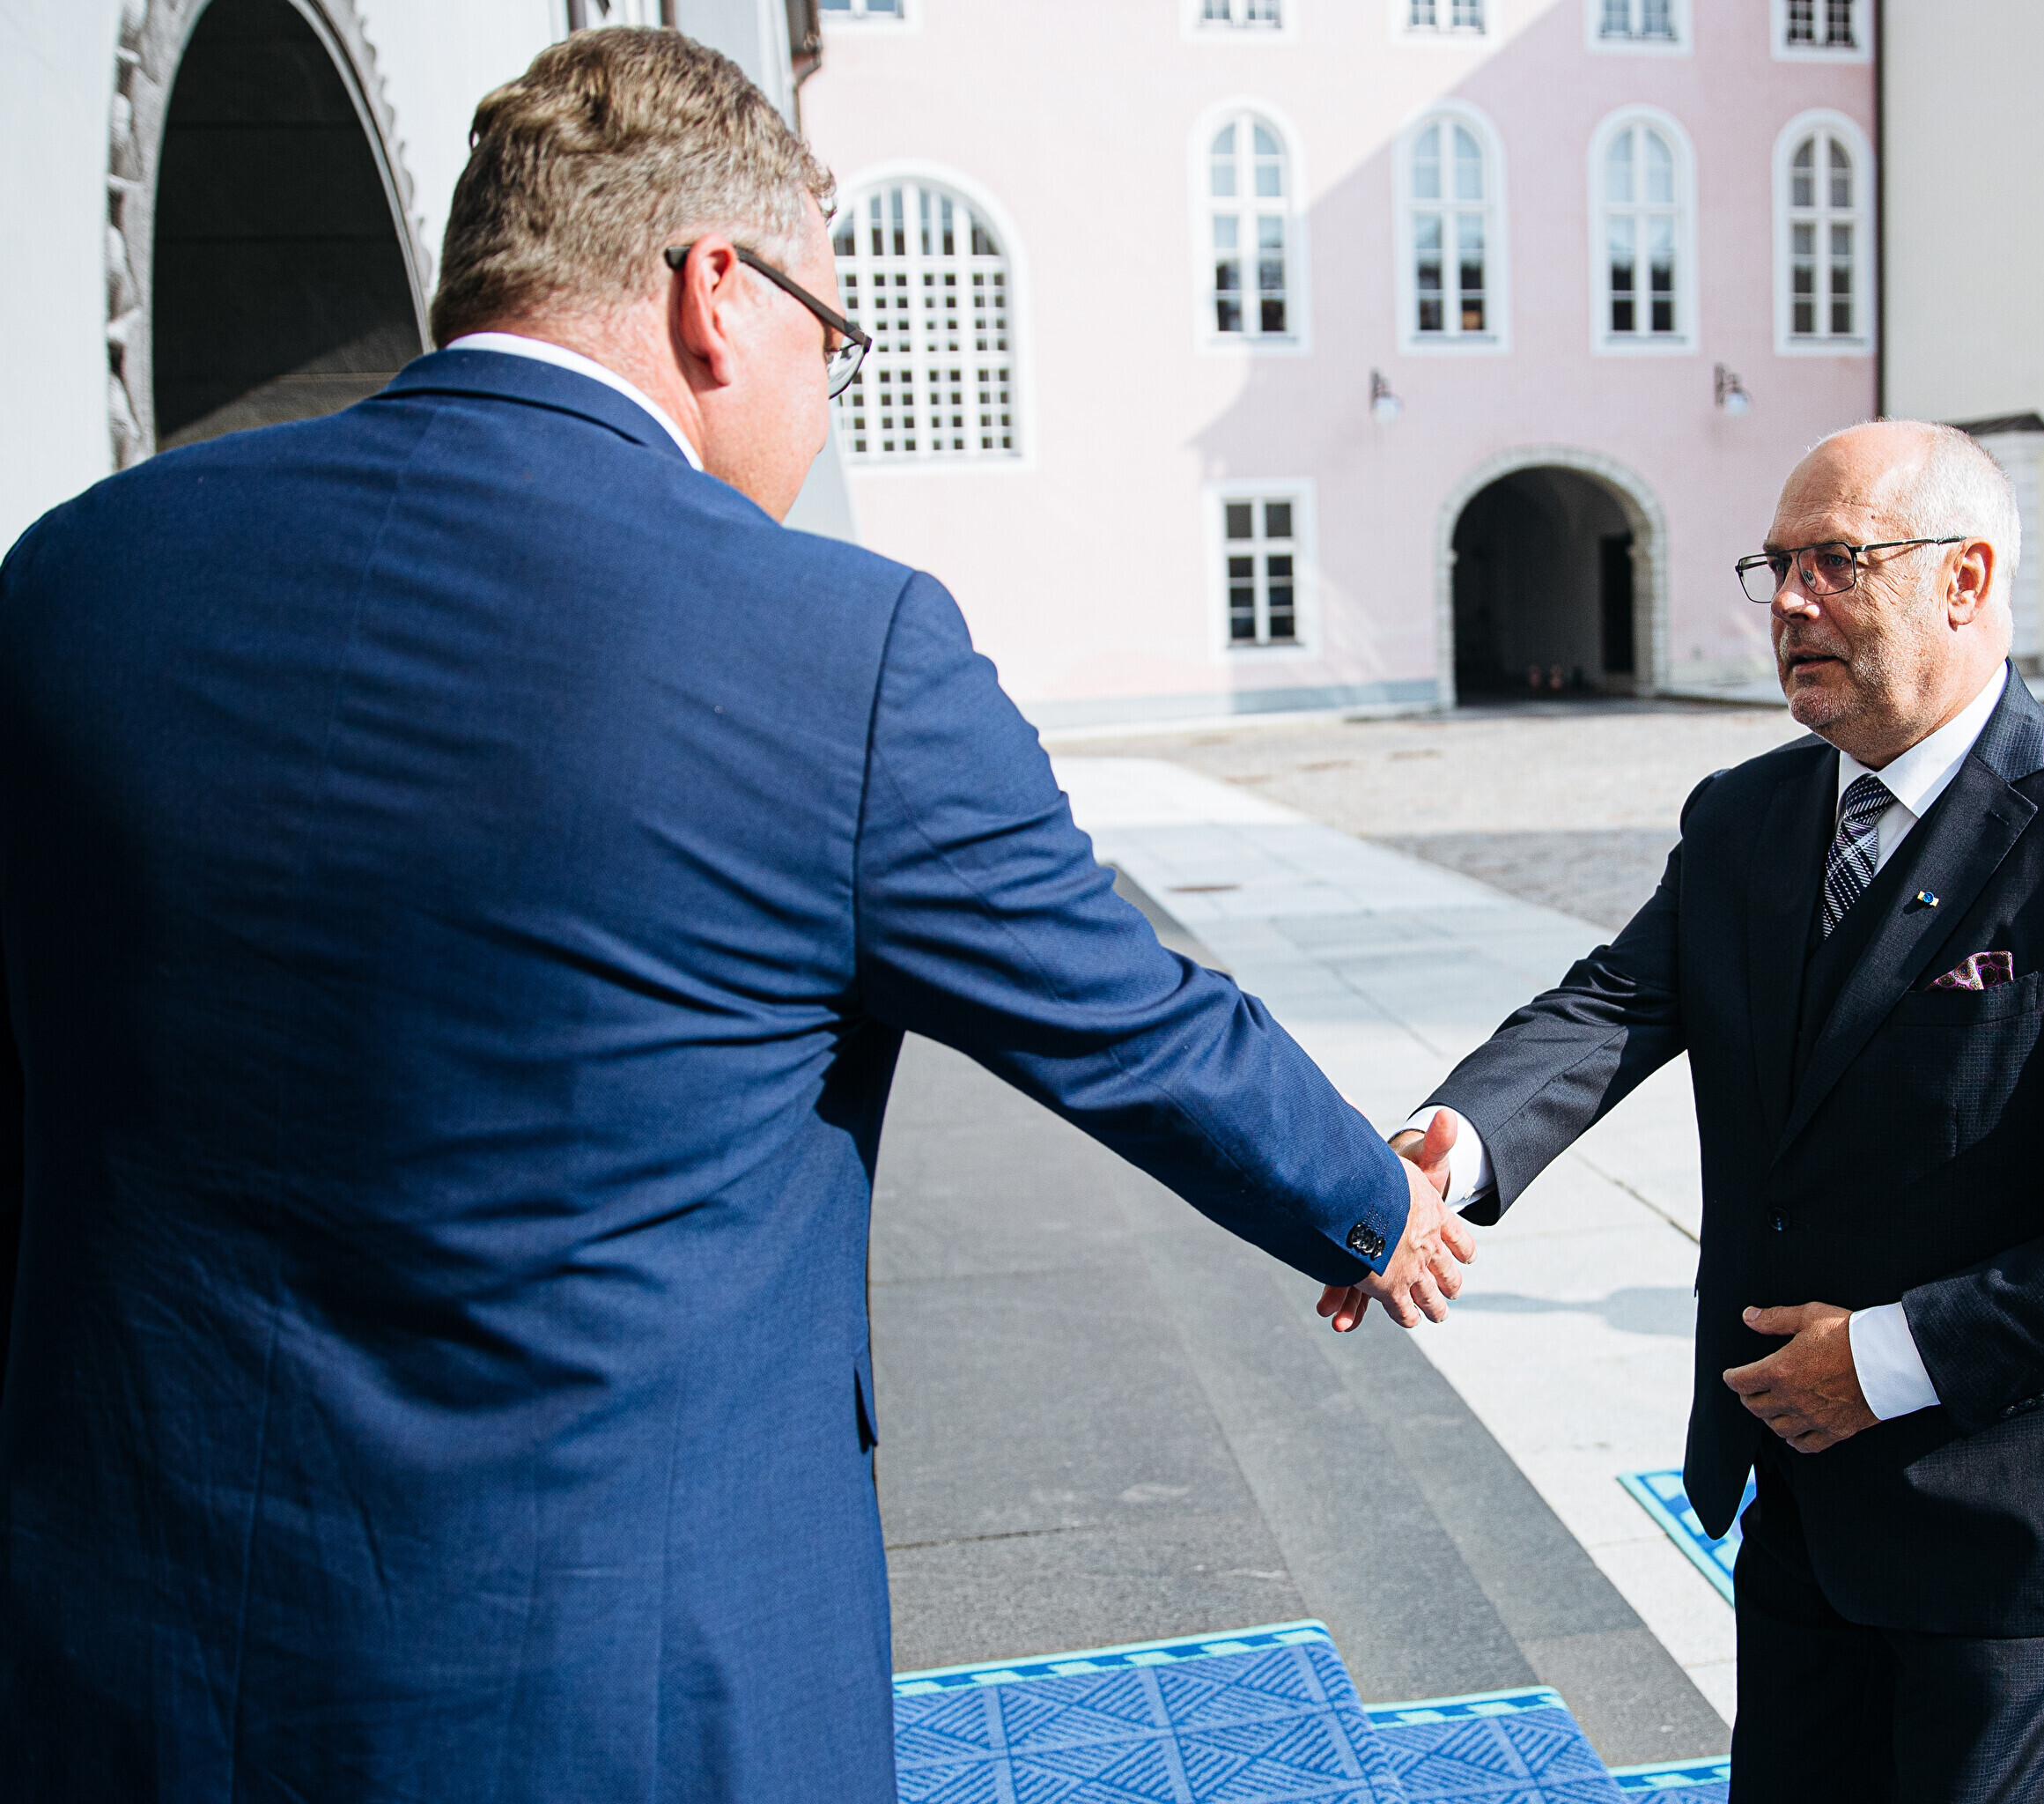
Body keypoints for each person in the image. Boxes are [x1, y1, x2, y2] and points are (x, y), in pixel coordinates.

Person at [0, 31, 1472, 1800]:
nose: (829, 386)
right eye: (833, 336)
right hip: (603, 1696)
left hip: (127, 1663)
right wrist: (1371, 1200)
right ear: (717, 292)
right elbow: (1124, 1019)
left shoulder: (81, 571)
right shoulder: (833, 648)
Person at [1324, 421, 2044, 1804]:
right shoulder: (1745, 816)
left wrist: (1882, 1362)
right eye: (1776, 567)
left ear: (1964, 578)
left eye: (1837, 563)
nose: (1790, 603)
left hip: (2017, 1523)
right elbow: (1614, 1004)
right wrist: (1439, 1155)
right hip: (1800, 1486)